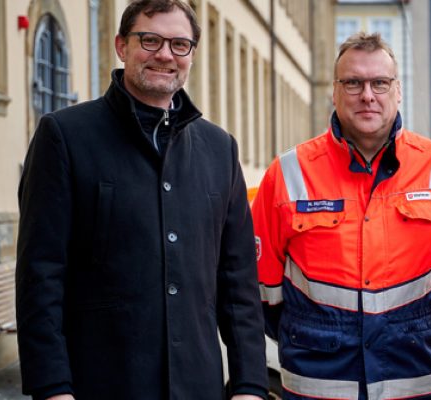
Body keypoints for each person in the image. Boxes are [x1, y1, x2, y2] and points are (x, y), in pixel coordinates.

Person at [16, 1, 267, 398]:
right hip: (101, 382)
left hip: (198, 385)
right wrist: (52, 388)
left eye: (179, 44)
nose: (165, 54)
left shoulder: (220, 149)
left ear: (191, 54)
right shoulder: (64, 137)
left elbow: (237, 283)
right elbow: (40, 275)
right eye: (149, 40)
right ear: (121, 45)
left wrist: (250, 385)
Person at [251, 31, 431, 399]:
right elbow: (262, 291)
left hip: (411, 381)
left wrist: (419, 329)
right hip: (315, 384)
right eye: (353, 83)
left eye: (379, 83)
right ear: (334, 92)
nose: (367, 95)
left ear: (397, 90)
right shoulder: (288, 173)